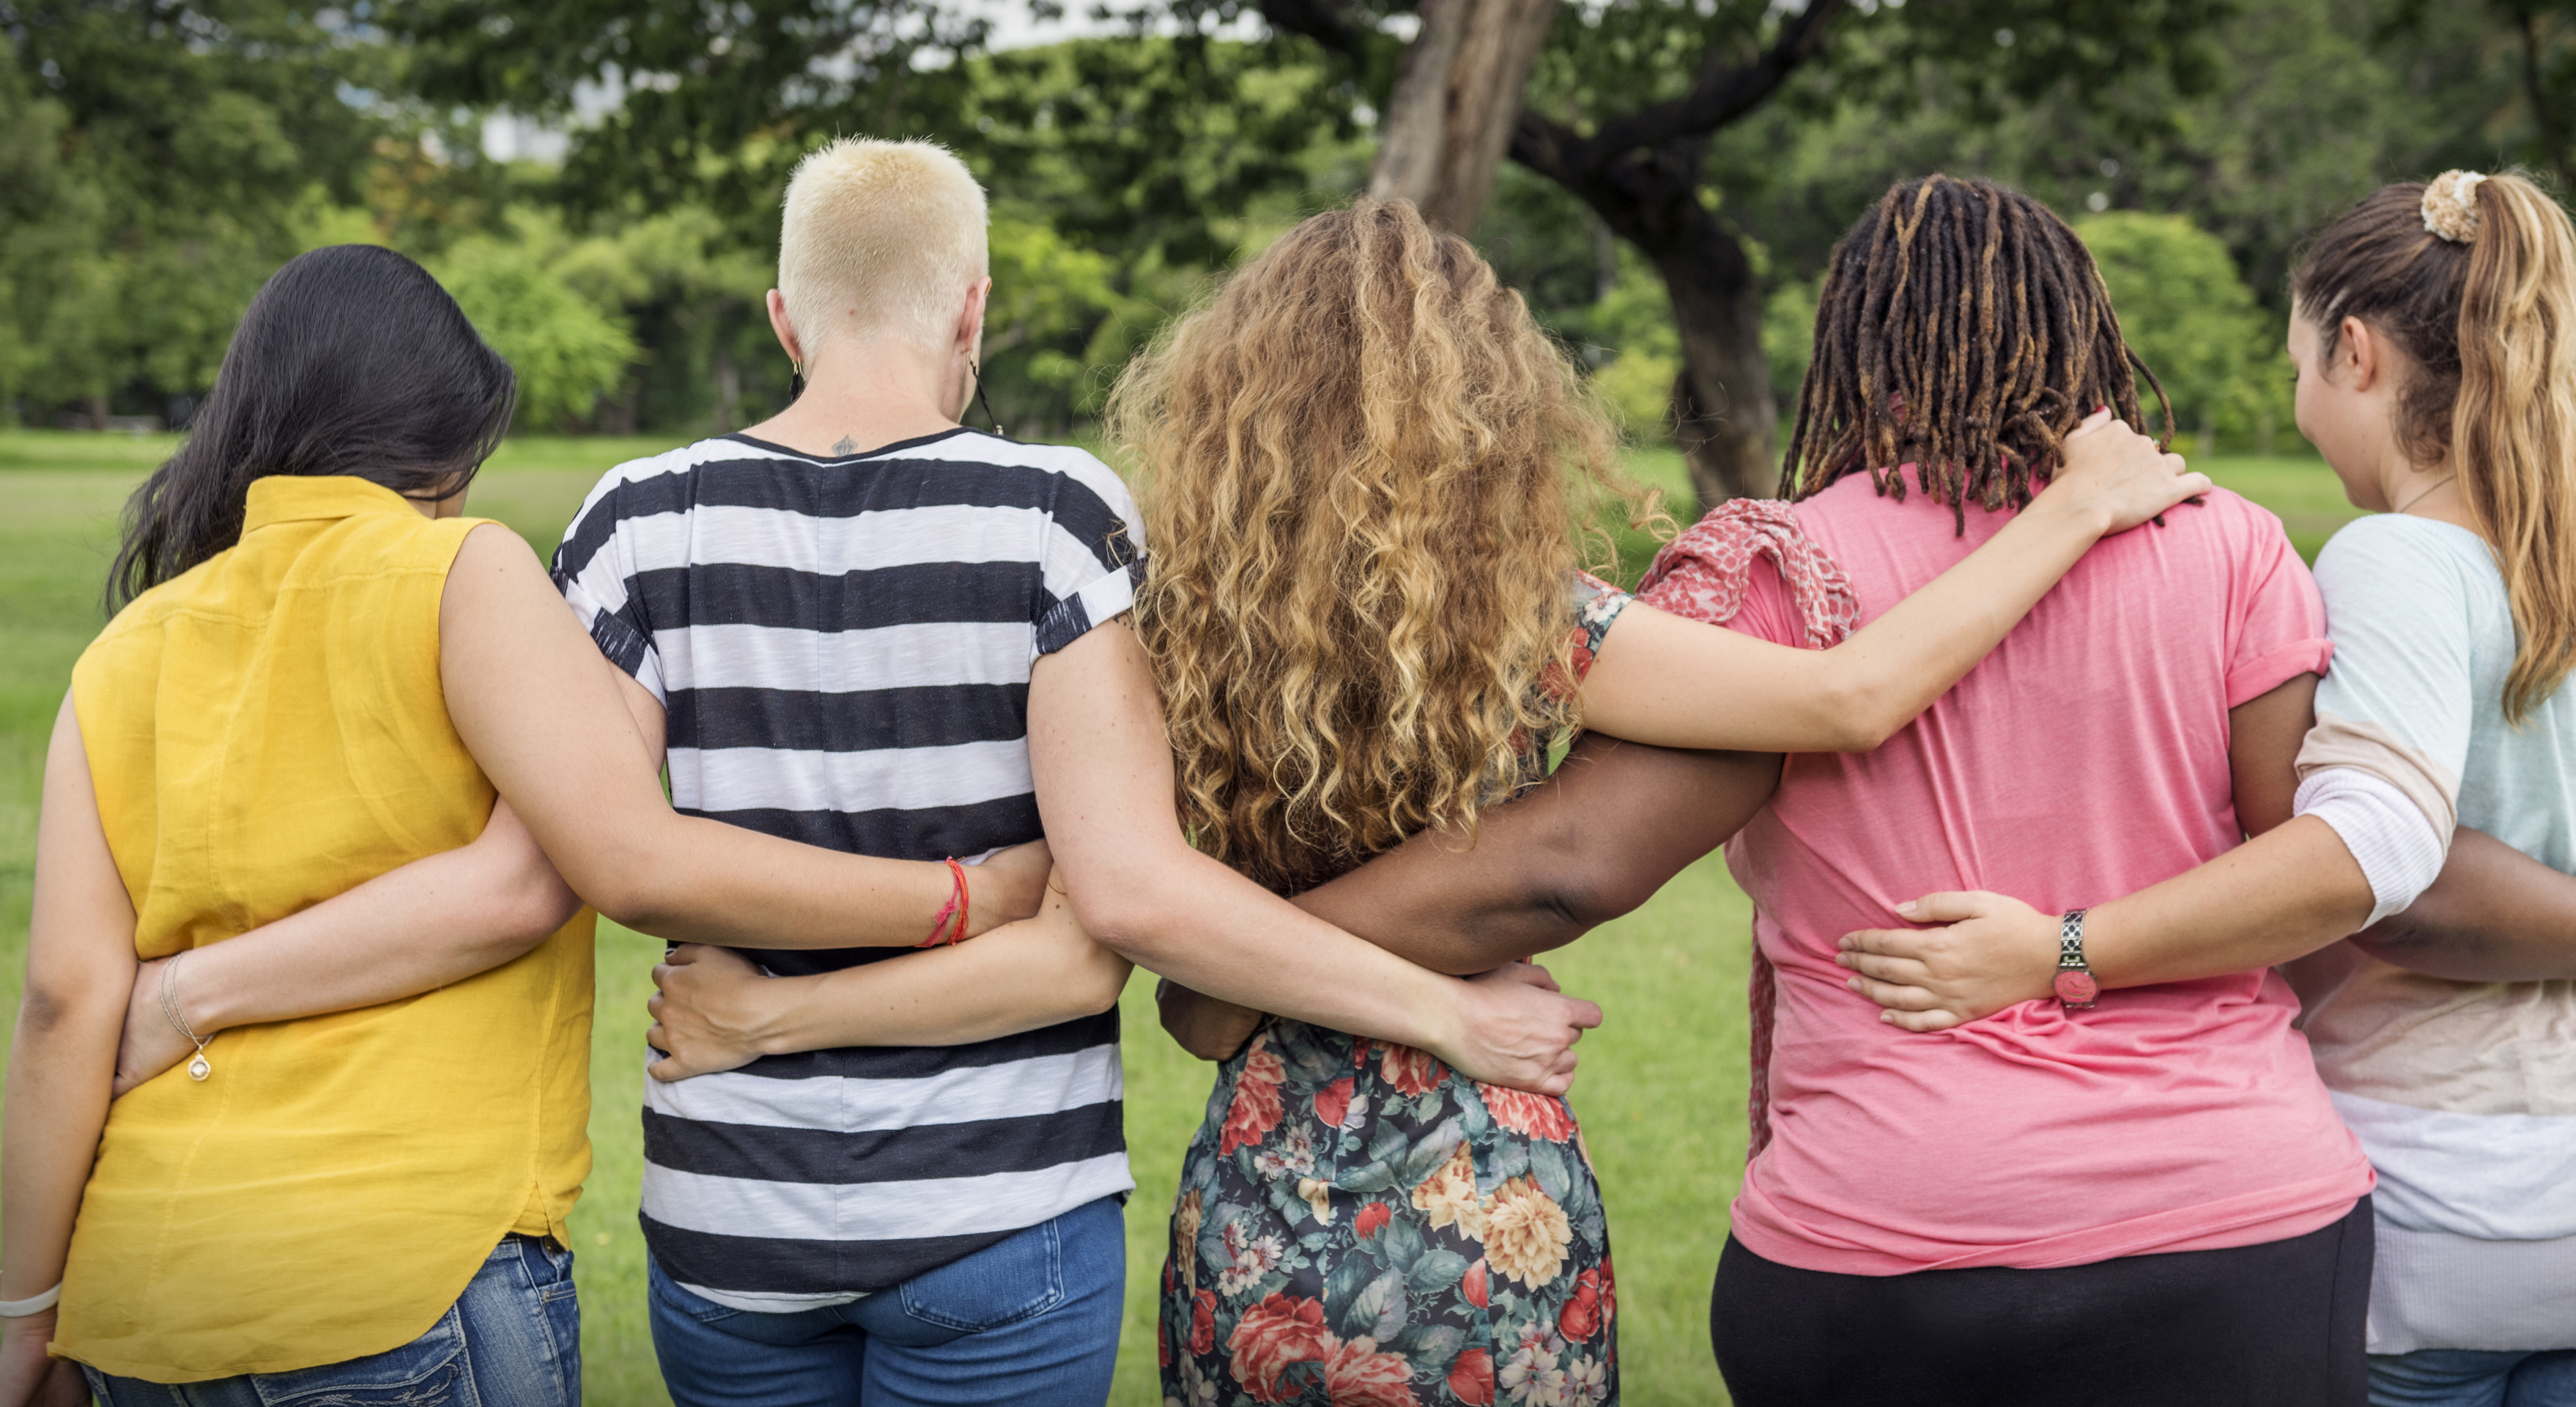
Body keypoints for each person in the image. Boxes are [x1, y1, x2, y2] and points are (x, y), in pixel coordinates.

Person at [643, 196, 2205, 1406]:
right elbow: (1845, 698)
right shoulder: (1523, 619)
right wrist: (2071, 506)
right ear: (1487, 402)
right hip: (1486, 1181)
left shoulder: (1160, 620)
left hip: (1258, 1191)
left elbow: (1116, 899)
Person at [0, 243, 1083, 1407]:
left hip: (149, 1297)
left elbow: (64, 1006)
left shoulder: (127, 652)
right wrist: (968, 896)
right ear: (441, 442)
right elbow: (603, 860)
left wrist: (24, 1318)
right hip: (408, 1269)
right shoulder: (459, 570)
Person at [1850, 170, 2576, 1404]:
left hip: (2450, 1229)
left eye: (2300, 366)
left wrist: (2063, 947)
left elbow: (2366, 871)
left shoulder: (2394, 560)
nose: (2298, 400)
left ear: (2355, 355)